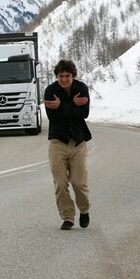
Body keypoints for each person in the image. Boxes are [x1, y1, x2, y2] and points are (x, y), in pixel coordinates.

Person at [43, 59, 92, 230]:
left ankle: (84, 210)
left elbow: (84, 113)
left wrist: (62, 106)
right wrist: (72, 106)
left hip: (78, 142)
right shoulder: (50, 91)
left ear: (73, 76)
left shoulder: (81, 88)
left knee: (79, 182)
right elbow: (53, 118)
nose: (64, 79)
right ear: (56, 76)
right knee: (60, 184)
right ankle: (68, 217)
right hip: (57, 142)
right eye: (61, 76)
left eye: (67, 76)